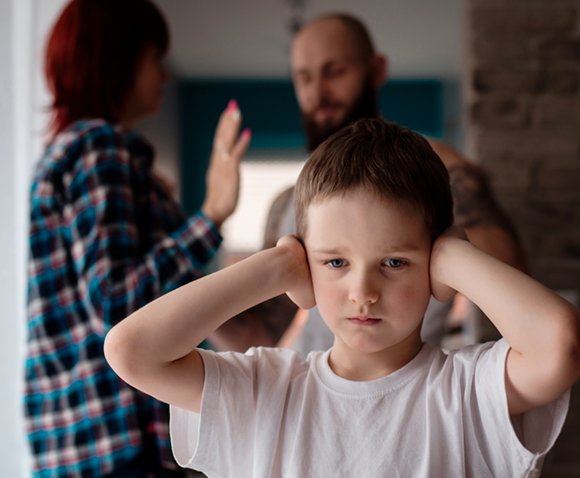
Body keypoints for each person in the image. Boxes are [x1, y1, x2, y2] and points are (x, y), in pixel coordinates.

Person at [105, 118, 580, 477]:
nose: (363, 292)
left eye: (395, 262)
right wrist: (275, 268)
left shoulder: (467, 392)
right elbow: (130, 350)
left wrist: (453, 258)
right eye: (335, 262)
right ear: (305, 260)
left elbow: (566, 343)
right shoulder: (265, 391)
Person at [210, 13, 525, 355]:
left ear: (376, 70)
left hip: (409, 388)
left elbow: (509, 271)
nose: (319, 93)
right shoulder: (289, 203)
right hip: (315, 394)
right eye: (304, 78)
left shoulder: (439, 170)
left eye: (335, 72)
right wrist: (207, 222)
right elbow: (262, 336)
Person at [24, 1, 248, 476]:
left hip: (83, 440)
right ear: (117, 59)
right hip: (118, 439)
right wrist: (210, 216)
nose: (165, 75)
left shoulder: (76, 150)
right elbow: (116, 300)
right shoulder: (99, 147)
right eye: (154, 57)